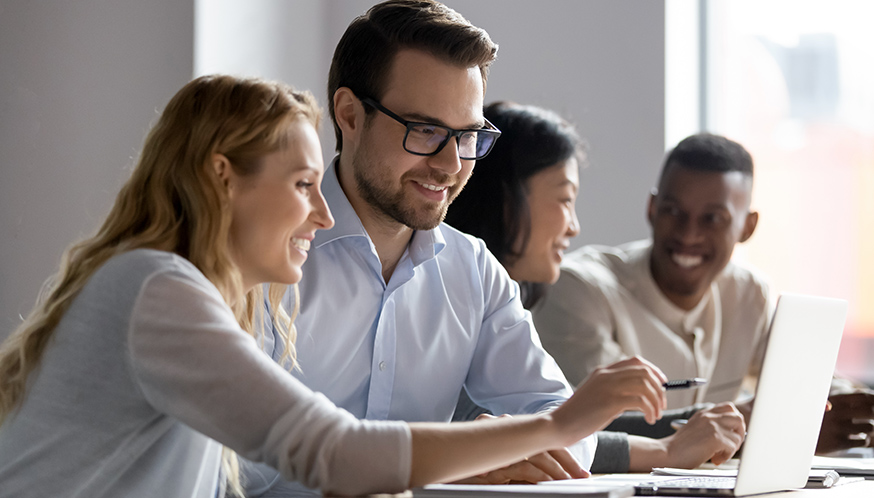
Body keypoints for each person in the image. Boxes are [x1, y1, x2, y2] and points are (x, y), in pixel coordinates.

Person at [0, 74, 672, 498]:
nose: (323, 215)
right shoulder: (156, 287)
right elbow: (338, 454)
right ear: (221, 178)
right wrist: (557, 423)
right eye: (302, 187)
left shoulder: (188, 293)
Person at [244, 1, 665, 494]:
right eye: (424, 131)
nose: (449, 164)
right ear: (350, 114)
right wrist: (449, 459)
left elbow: (561, 418)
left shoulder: (473, 270)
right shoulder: (263, 257)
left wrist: (498, 451)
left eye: (467, 136)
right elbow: (237, 464)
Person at [446, 102, 745, 474]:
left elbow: (552, 426)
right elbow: (527, 432)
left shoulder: (503, 299)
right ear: (507, 200)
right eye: (566, 199)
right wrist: (666, 450)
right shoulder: (450, 292)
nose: (574, 227)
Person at [531, 132, 874, 456]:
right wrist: (770, 427)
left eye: (713, 219)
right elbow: (601, 427)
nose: (688, 234)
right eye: (673, 211)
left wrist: (846, 408)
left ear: (747, 227)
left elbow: (809, 378)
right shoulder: (579, 289)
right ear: (652, 209)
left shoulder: (748, 293)